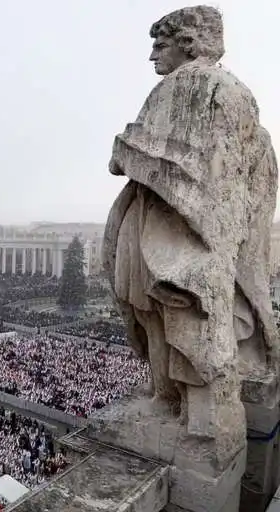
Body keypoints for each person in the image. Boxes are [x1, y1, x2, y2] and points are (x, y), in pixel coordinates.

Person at [103, 5, 278, 448]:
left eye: (160, 45)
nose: (152, 58)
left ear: (188, 43)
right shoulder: (238, 92)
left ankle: (177, 402)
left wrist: (125, 151)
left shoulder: (192, 86)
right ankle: (172, 396)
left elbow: (149, 159)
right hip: (191, 229)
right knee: (162, 312)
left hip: (177, 230)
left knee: (170, 311)